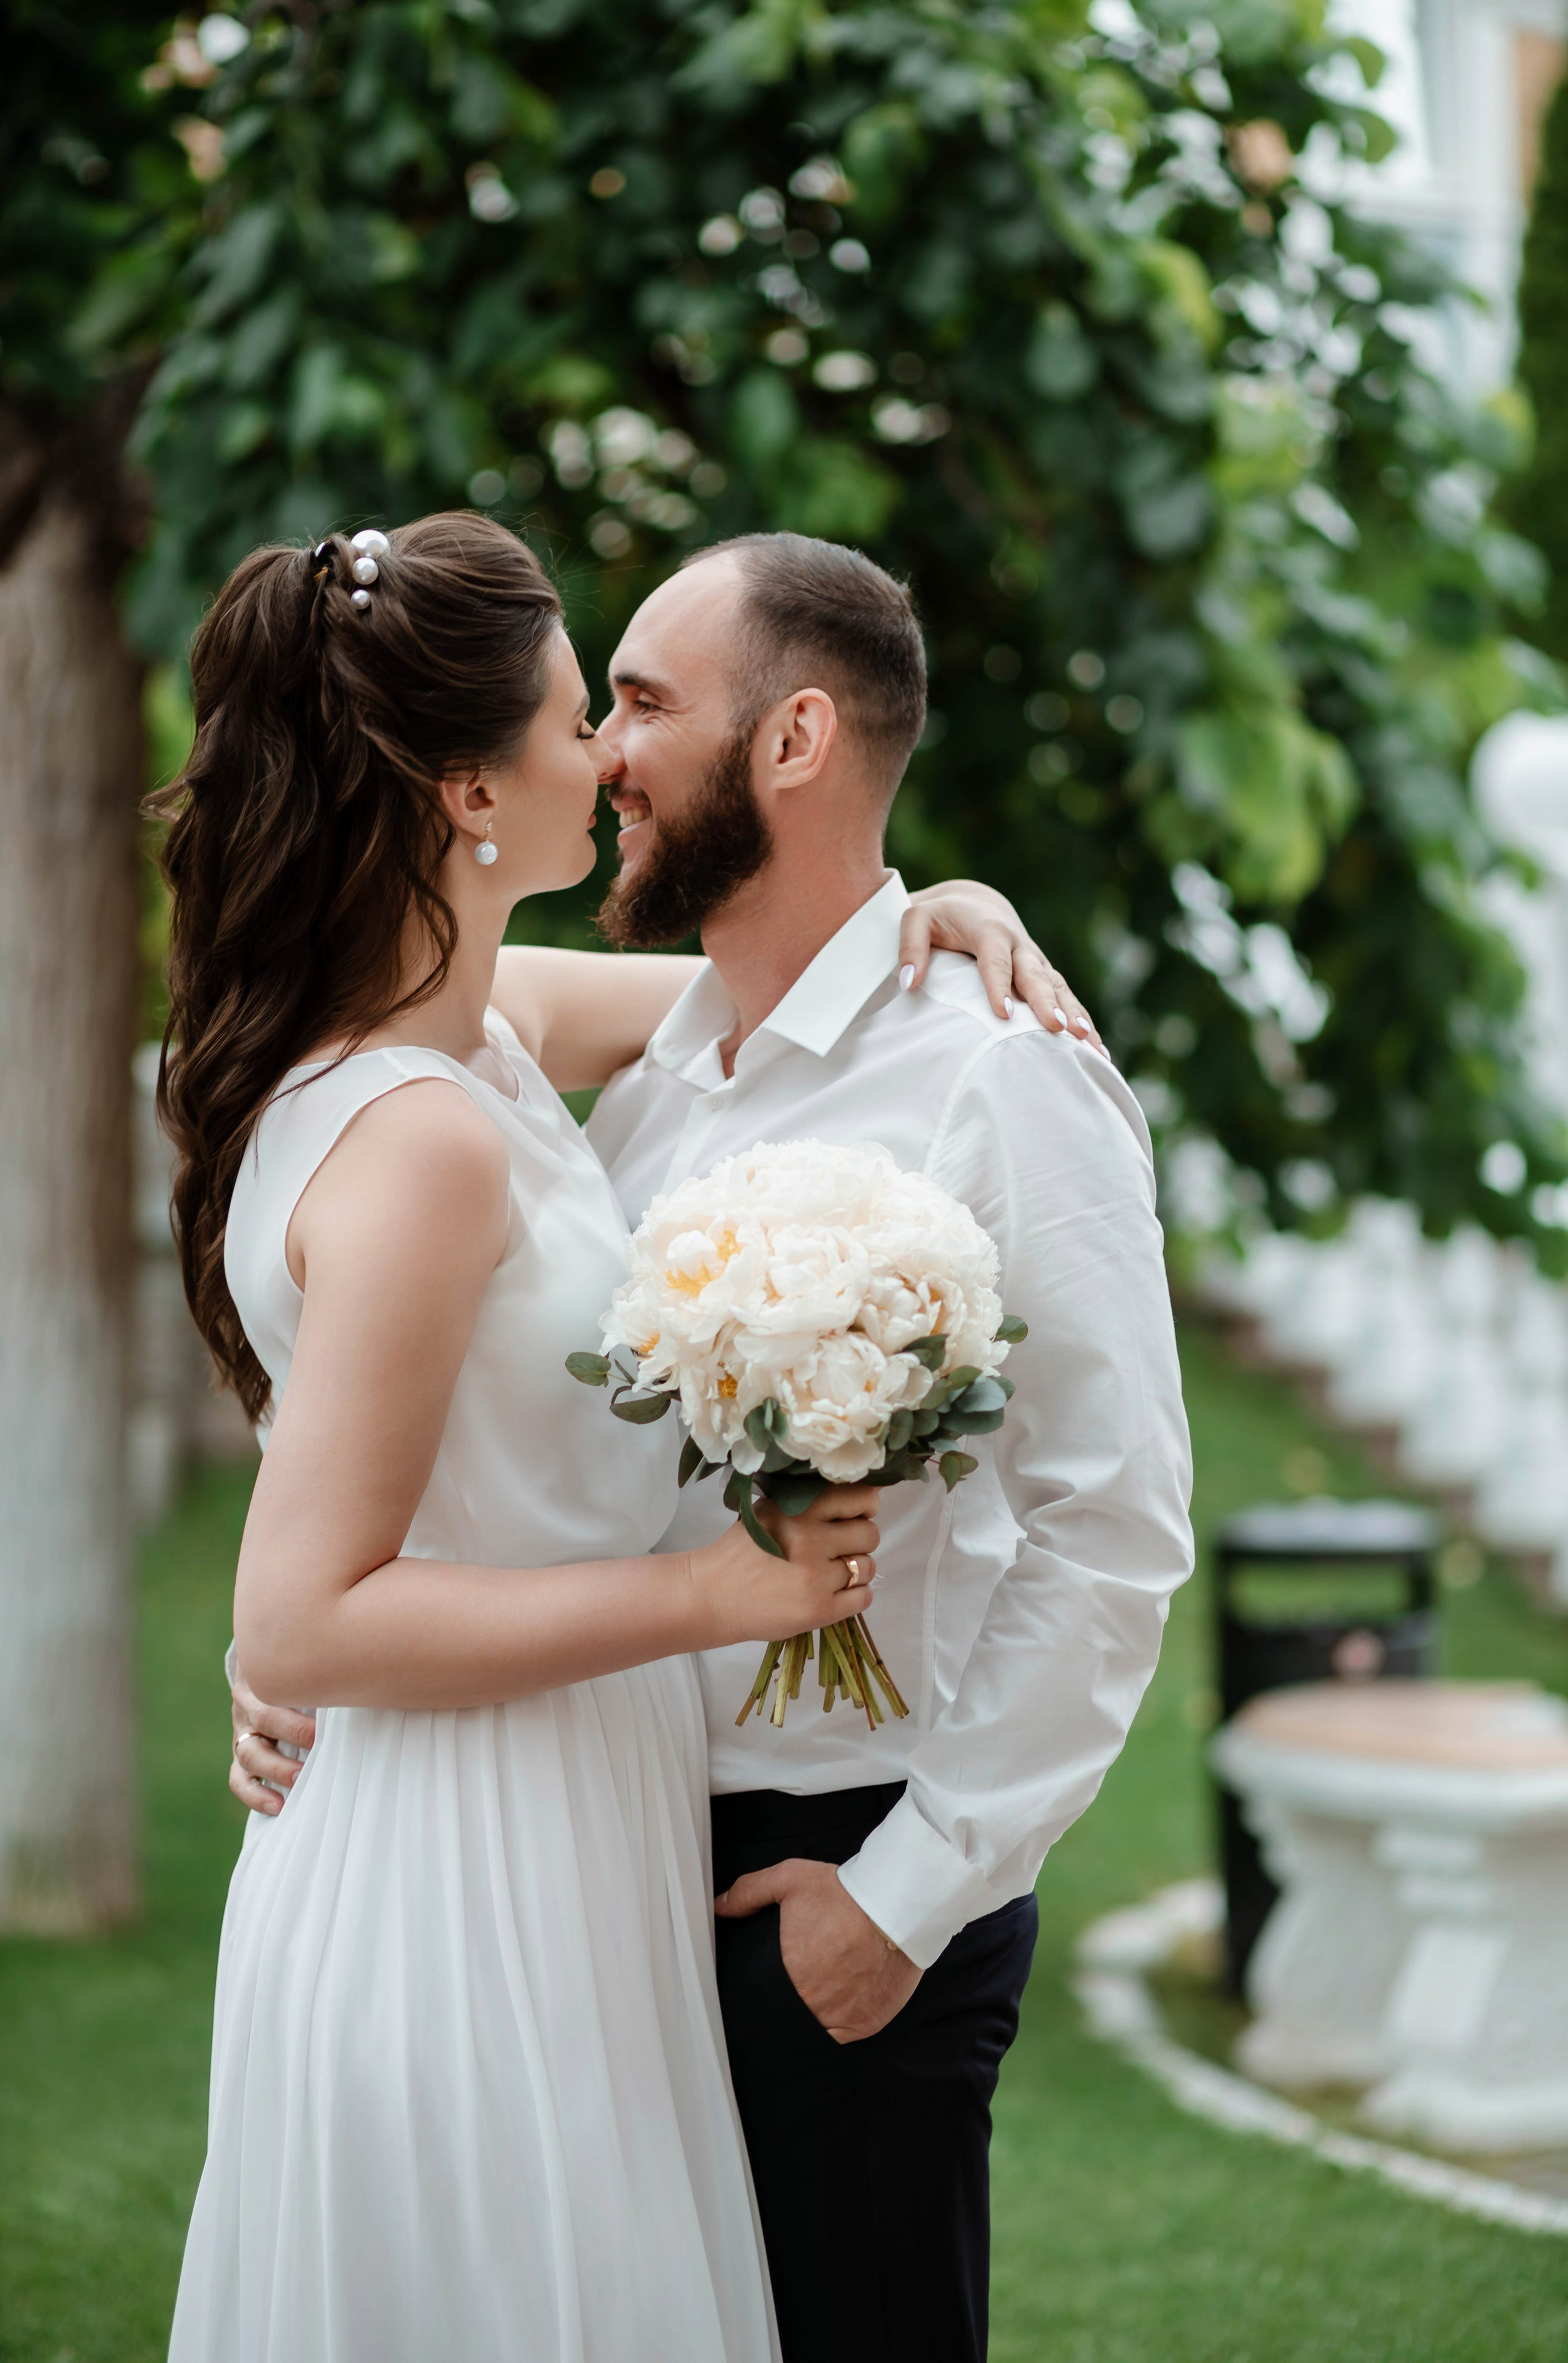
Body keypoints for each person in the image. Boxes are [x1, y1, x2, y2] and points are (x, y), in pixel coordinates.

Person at [231, 530, 1194, 2361]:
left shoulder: (996, 1069)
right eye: (591, 708)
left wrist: (901, 1903)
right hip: (590, 1863)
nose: (604, 748)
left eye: (647, 702)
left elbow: (1111, 1527)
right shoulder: (653, 1054)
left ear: (797, 738)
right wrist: (289, 1644)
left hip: (842, 1871)